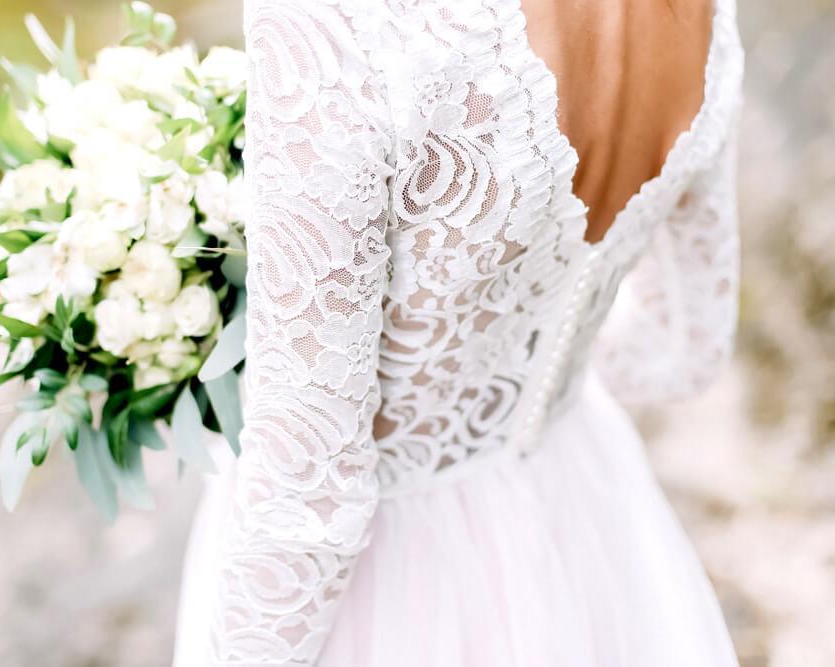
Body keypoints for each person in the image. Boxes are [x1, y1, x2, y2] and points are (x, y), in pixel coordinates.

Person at [175, 0, 744, 664]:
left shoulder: (331, 16)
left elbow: (308, 489)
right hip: (582, 516)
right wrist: (527, 362)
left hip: (389, 588)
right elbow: (683, 350)